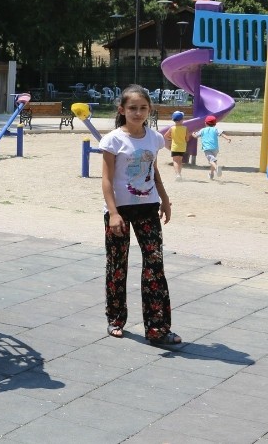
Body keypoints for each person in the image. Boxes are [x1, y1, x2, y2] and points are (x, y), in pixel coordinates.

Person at [100, 84, 180, 347]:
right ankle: (115, 318)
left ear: (149, 110)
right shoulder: (113, 140)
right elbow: (106, 179)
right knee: (117, 265)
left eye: (143, 108)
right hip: (119, 210)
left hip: (148, 207)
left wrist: (165, 199)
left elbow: (153, 171)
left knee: (155, 266)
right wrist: (112, 213)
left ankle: (157, 328)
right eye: (132, 108)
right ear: (122, 110)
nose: (137, 112)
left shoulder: (155, 138)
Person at [193, 114, 231, 180]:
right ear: (215, 124)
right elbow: (222, 134)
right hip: (215, 148)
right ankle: (211, 174)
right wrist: (227, 138)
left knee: (211, 161)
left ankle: (216, 169)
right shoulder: (215, 129)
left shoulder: (203, 130)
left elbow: (196, 136)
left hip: (207, 148)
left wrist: (193, 134)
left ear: (205, 123)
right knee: (213, 161)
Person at [167, 110, 188, 181]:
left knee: (175, 161)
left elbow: (166, 136)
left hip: (175, 147)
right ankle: (180, 174)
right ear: (182, 120)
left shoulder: (172, 128)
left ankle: (177, 175)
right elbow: (187, 139)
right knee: (180, 161)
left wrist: (171, 138)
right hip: (182, 147)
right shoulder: (185, 128)